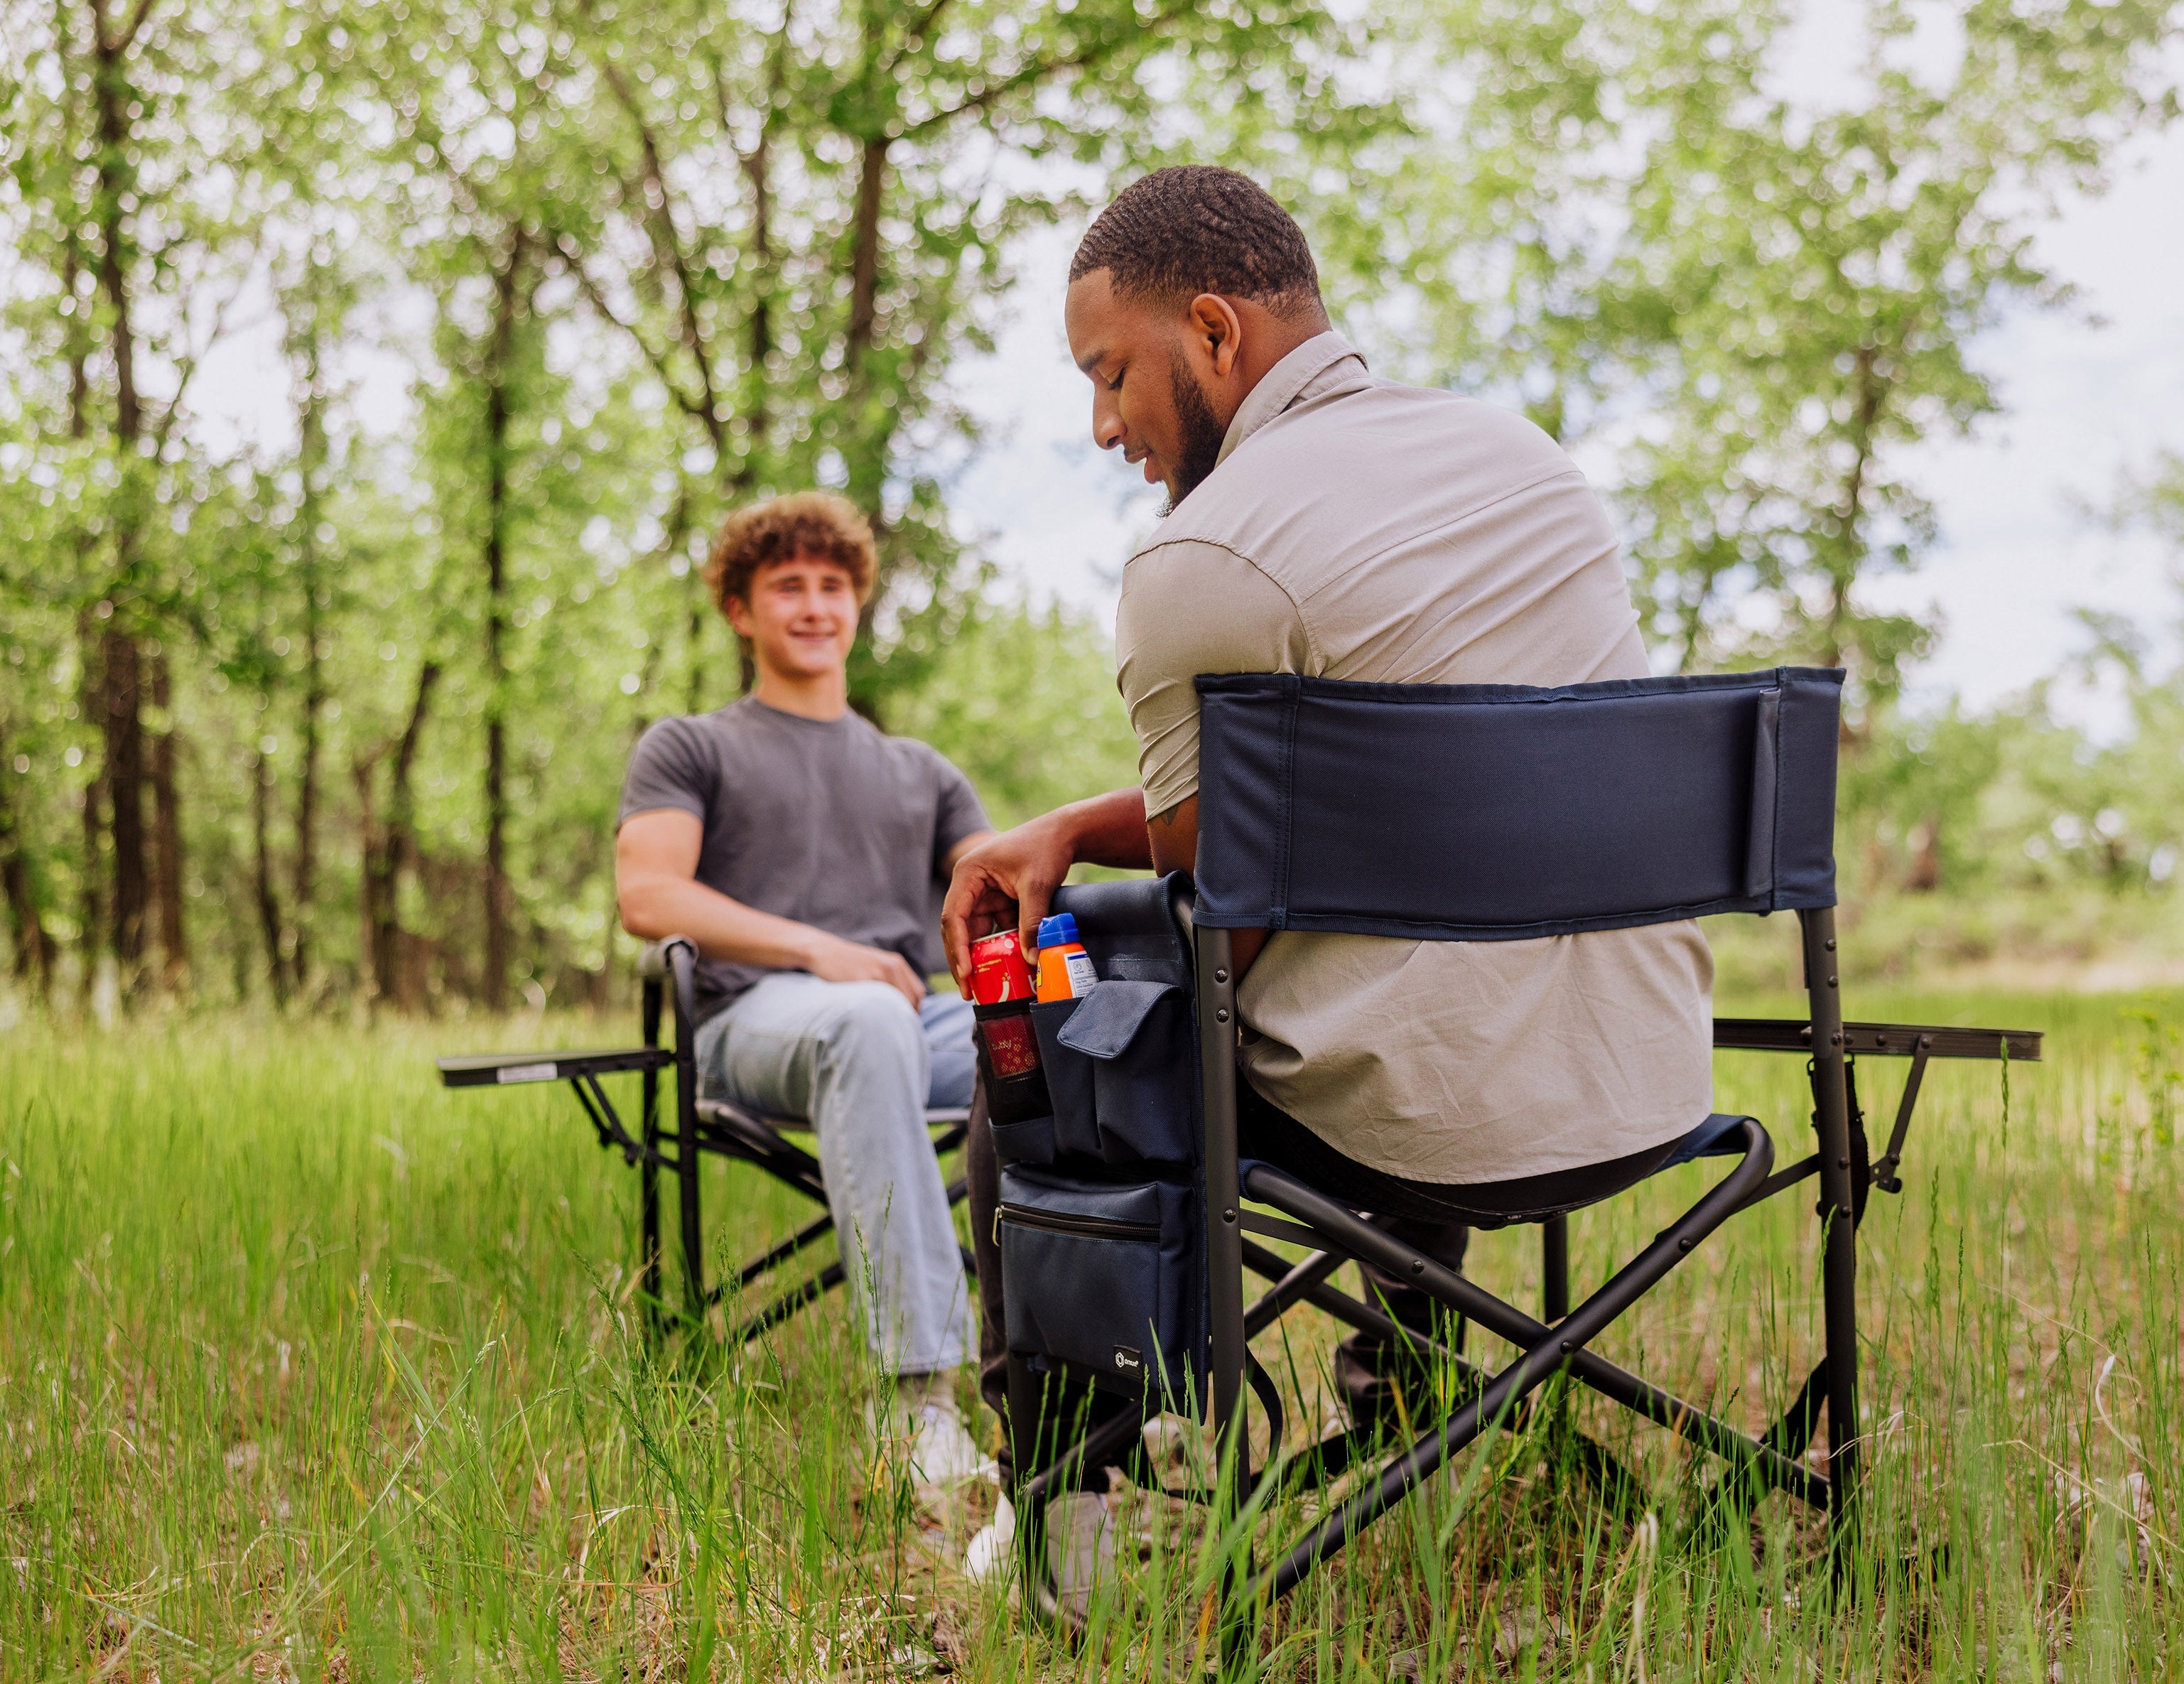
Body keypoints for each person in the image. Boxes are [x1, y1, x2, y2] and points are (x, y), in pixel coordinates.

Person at [941, 166, 1717, 1601]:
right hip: (1637, 1078)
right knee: (1395, 944)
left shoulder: (1202, 552)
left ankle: (1065, 1497)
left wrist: (1067, 875)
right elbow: (1448, 787)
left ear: (1216, 332)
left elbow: (1217, 857)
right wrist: (1078, 820)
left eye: (1110, 373)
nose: (1103, 423)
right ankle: (1410, 1410)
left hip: (1415, 1107)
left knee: (1037, 1035)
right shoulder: (1528, 462)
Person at [616, 490, 991, 1489]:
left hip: (920, 1019)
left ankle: (1124, 1382)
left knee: (1095, 1025)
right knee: (867, 1014)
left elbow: (1000, 901)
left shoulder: (922, 771)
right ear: (741, 611)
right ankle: (919, 1406)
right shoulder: (692, 745)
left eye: (834, 587)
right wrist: (817, 949)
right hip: (752, 1022)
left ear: (858, 605)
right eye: (789, 587)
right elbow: (647, 892)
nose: (816, 606)